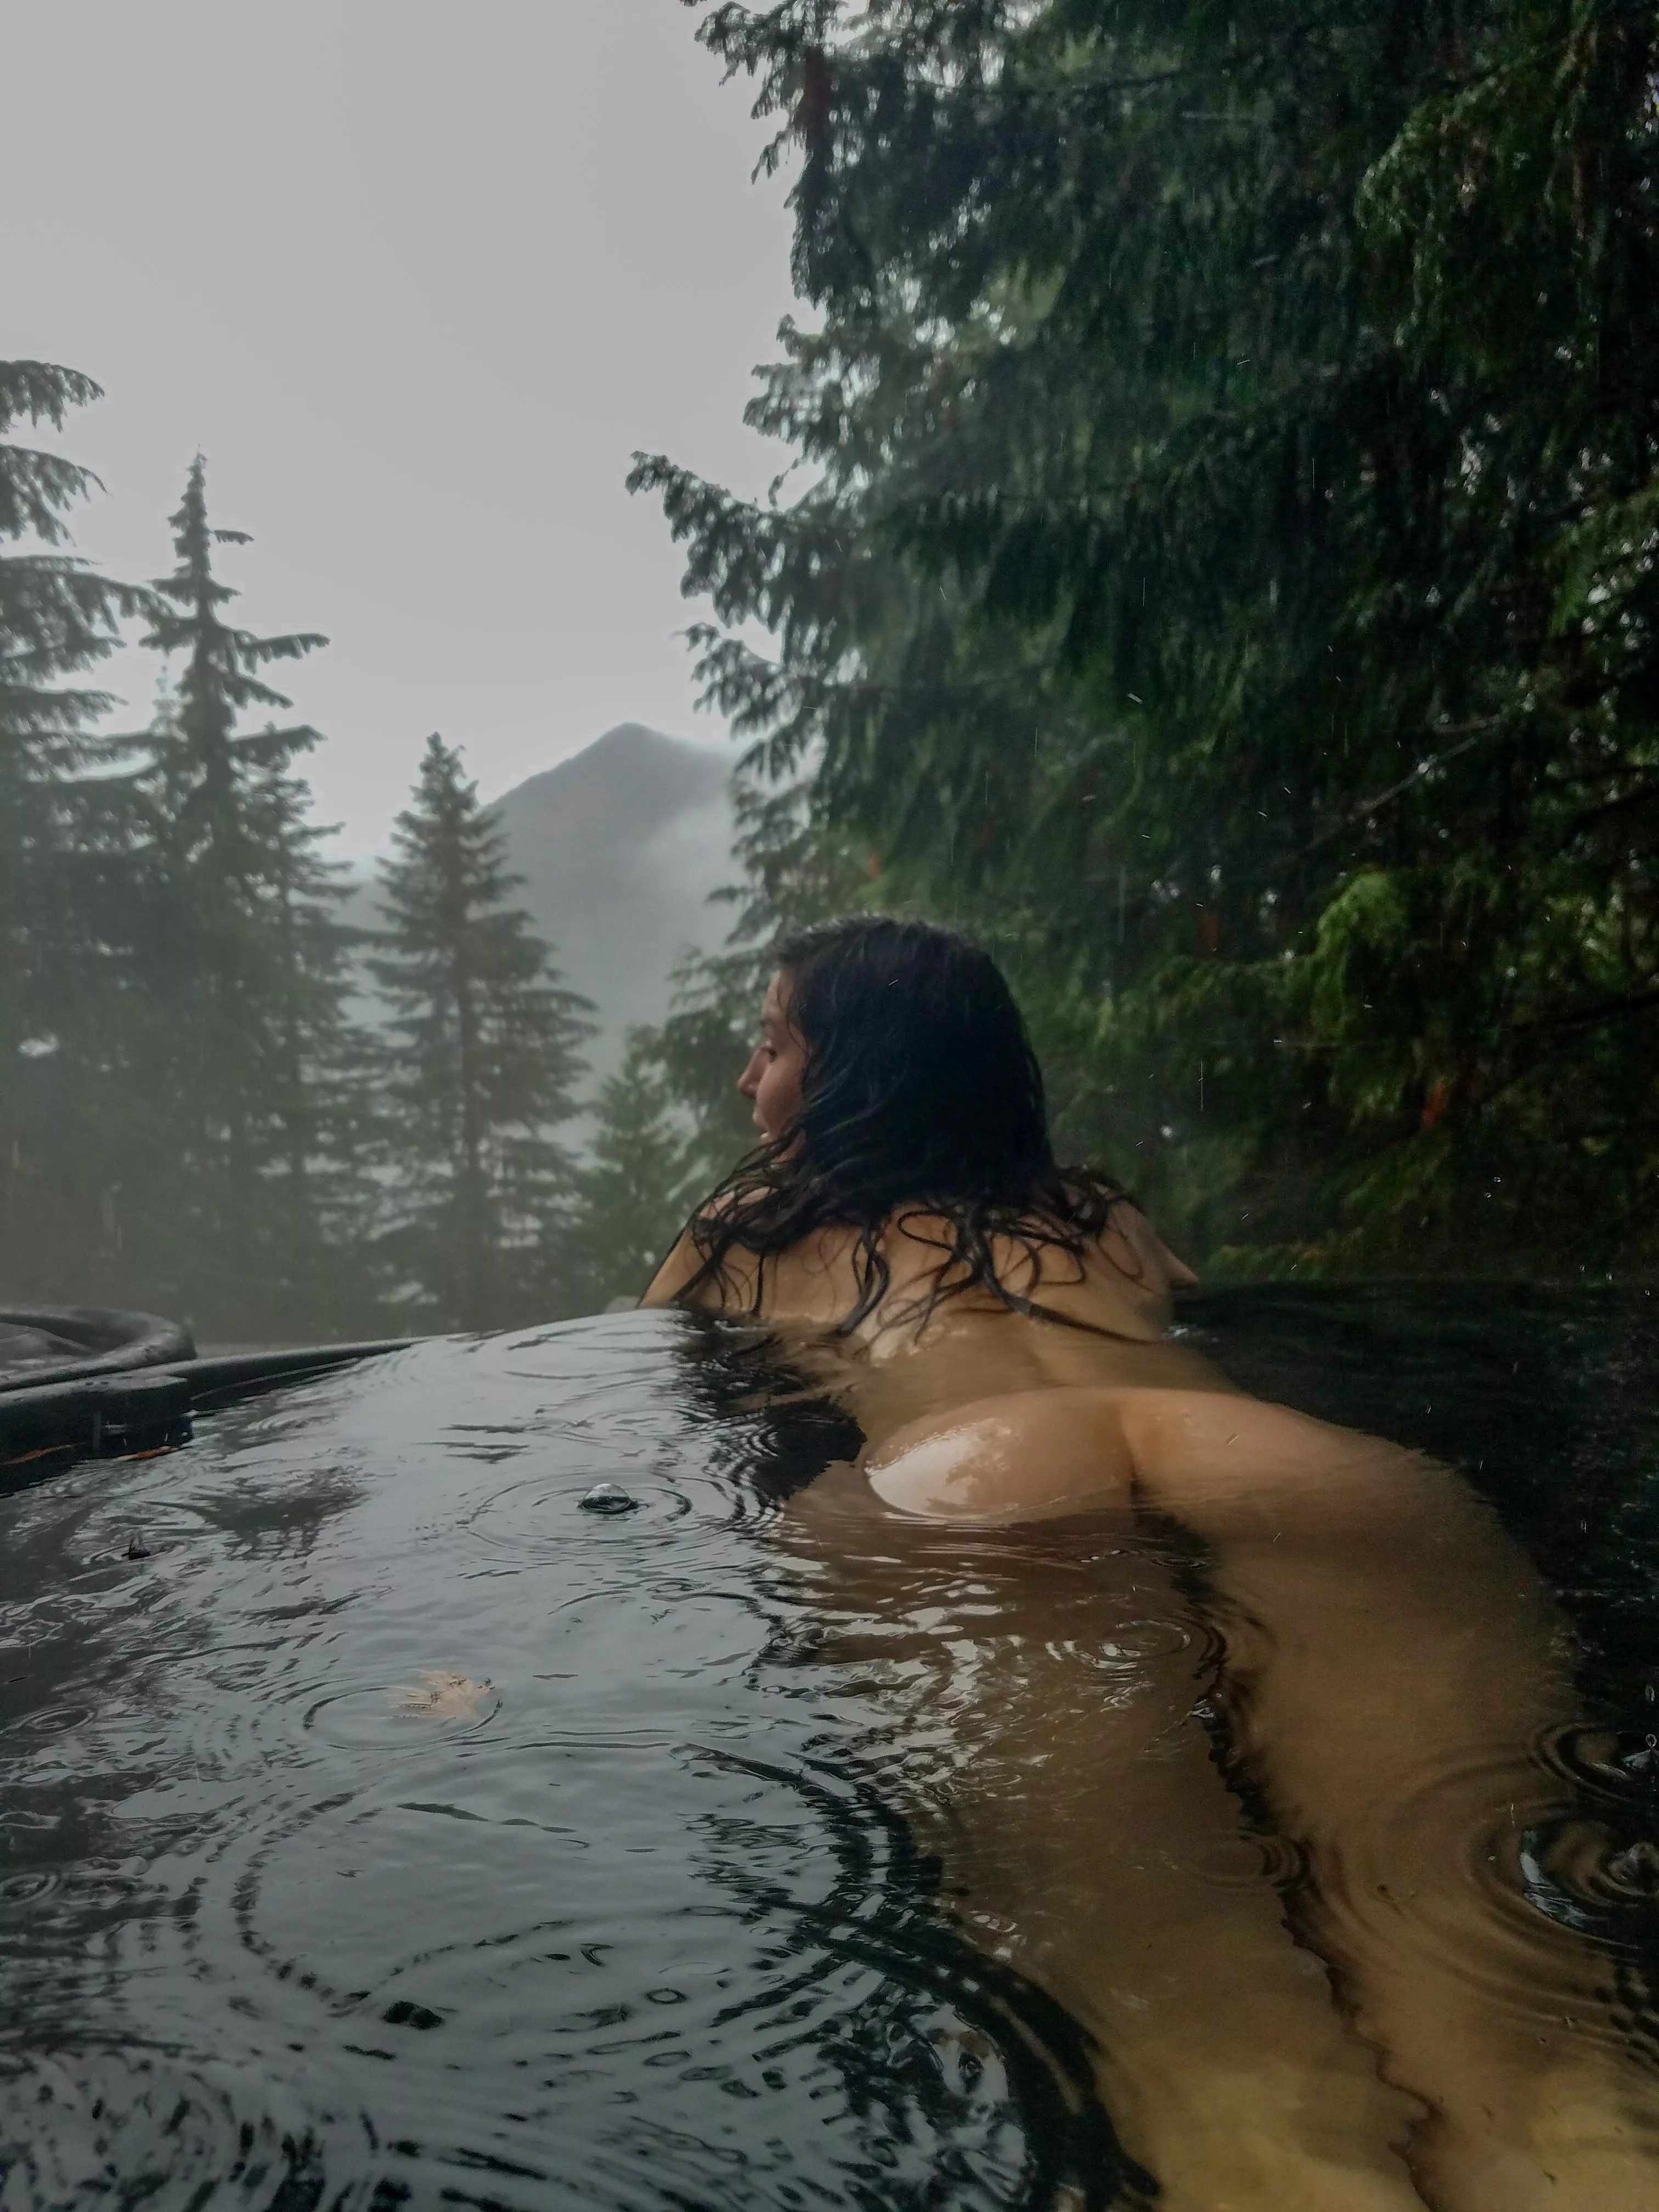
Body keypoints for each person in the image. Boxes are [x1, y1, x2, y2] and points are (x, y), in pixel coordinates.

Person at [644, 915, 1657, 2210]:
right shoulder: (1099, 1214)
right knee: (1528, 2030)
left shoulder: (747, 1226)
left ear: (854, 1076)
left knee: (1209, 2045)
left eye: (772, 1042)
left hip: (974, 1482)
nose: (748, 1079)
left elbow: (643, 1396)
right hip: (1289, 1462)